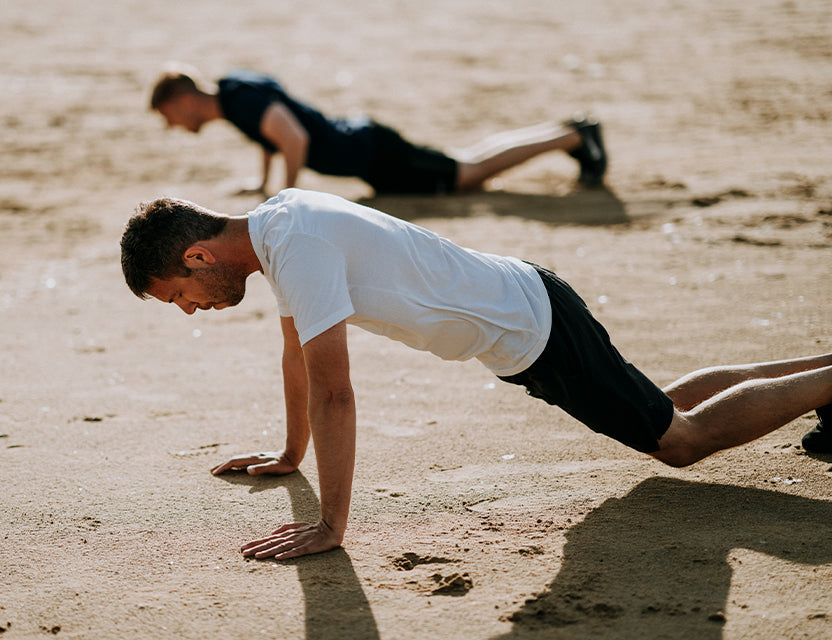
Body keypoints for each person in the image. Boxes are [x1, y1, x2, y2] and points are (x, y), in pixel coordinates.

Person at [119, 188, 832, 560]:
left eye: (178, 297)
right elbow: (296, 357)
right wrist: (289, 455)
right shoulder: (278, 229)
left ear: (196, 259)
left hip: (533, 329)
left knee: (678, 441)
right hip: (527, 310)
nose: (189, 311)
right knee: (666, 403)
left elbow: (336, 391)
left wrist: (332, 524)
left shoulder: (292, 245)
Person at [148, 65, 607, 196]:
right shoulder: (233, 91)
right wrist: (263, 183)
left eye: (169, 116)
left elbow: (295, 139)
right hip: (367, 148)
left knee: (467, 174)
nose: (174, 126)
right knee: (466, 159)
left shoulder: (240, 101)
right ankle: (569, 131)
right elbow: (272, 137)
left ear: (184, 99)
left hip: (370, 153)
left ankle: (573, 138)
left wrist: (286, 197)